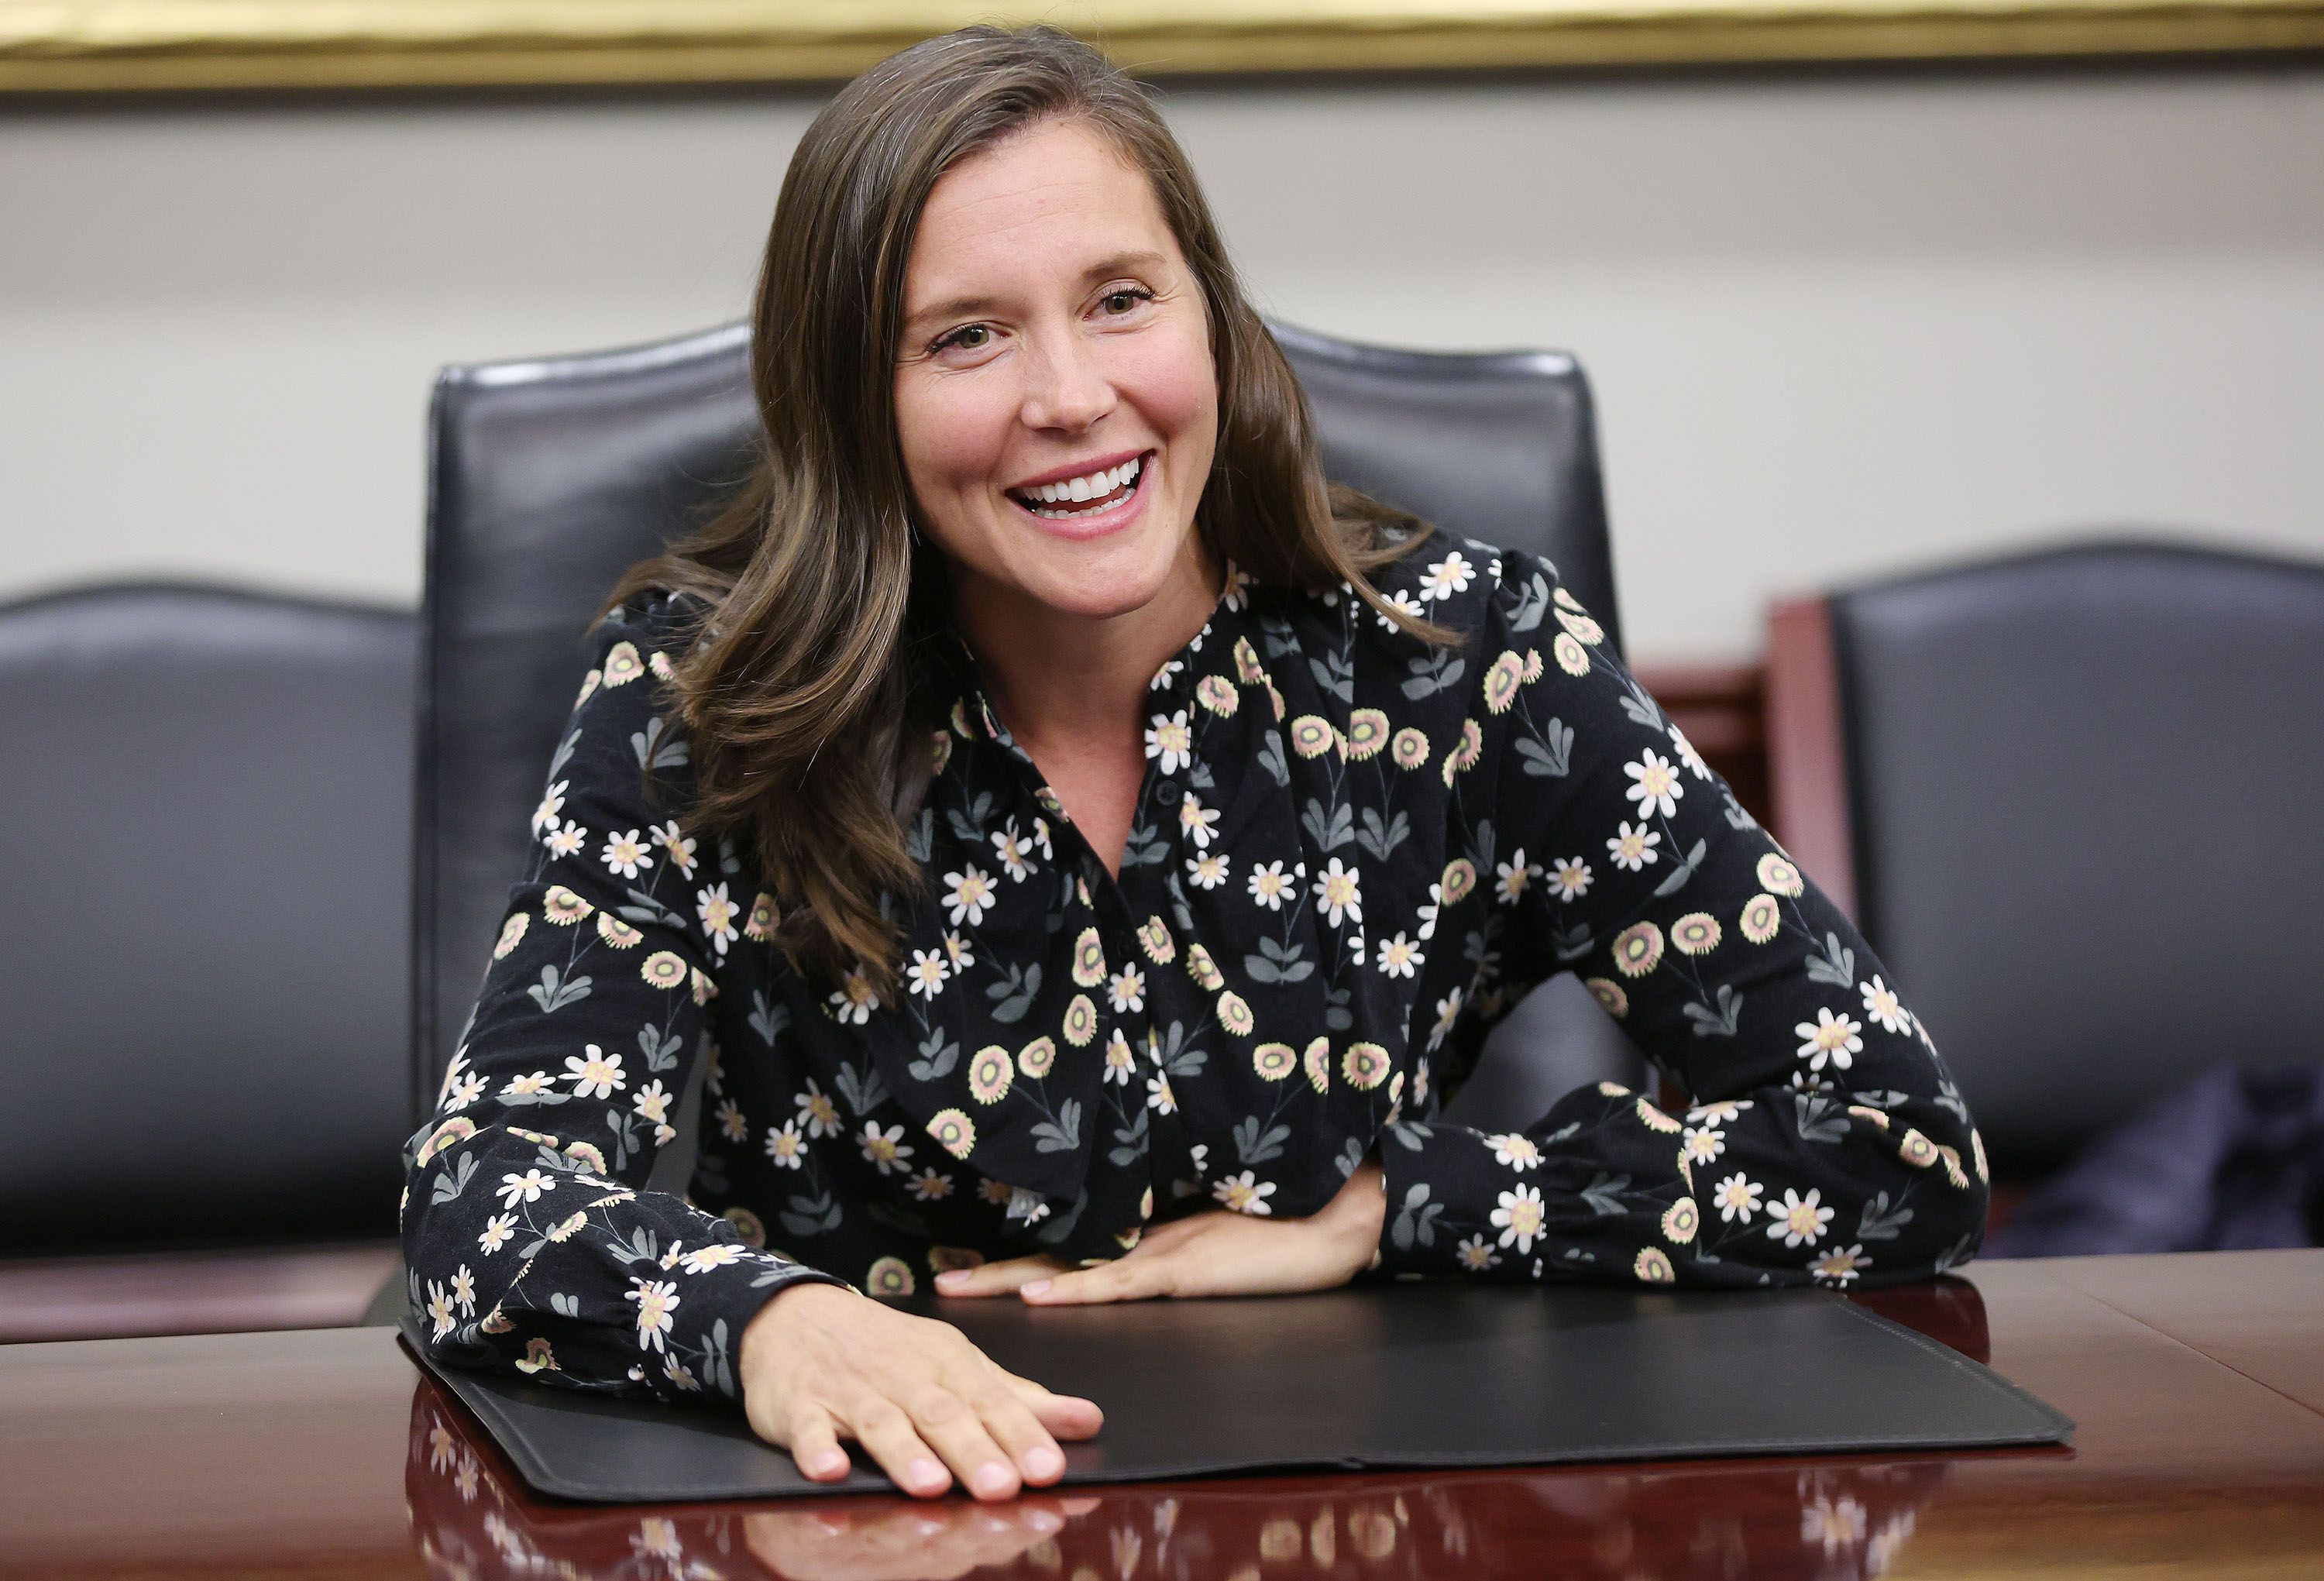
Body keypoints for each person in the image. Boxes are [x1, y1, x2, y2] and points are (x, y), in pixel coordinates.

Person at [401, 22, 1989, 1504]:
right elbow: (478, 1201)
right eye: (967, 336)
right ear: (852, 404)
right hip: (889, 1507)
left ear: (1210, 319)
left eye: (1121, 300)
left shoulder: (1467, 660)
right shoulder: (703, 702)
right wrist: (771, 1324)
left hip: (1348, 1499)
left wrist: (1404, 1206)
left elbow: (1891, 1142)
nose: (1072, 397)